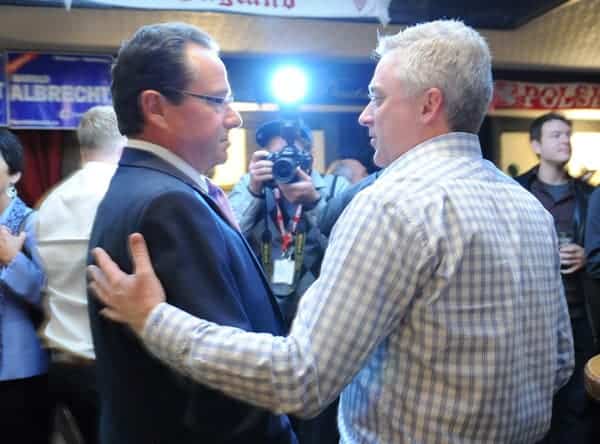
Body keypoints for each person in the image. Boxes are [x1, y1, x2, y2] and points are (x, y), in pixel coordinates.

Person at [88, 20, 575, 444]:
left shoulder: (391, 204)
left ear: (430, 105)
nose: (364, 115)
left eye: (377, 99)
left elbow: (302, 378)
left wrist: (155, 319)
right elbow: (557, 362)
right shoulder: (526, 206)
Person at [86, 22, 296, 444]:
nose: (234, 118)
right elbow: (222, 392)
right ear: (156, 107)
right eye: (217, 101)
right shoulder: (169, 205)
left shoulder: (150, 187)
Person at [37, 105, 126, 444]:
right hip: (112, 365)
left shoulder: (51, 202)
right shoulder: (124, 196)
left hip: (64, 363)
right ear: (125, 141)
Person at [516, 113, 597, 444]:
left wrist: (587, 253)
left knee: (579, 407)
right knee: (535, 404)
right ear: (536, 144)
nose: (565, 140)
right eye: (555, 135)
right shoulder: (517, 192)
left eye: (567, 135)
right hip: (532, 316)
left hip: (581, 314)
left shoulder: (589, 195)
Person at [229, 119, 349, 328]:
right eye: (275, 158)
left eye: (291, 157)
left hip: (318, 310)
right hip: (263, 308)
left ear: (309, 158)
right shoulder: (252, 187)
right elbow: (229, 240)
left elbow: (349, 248)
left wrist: (314, 203)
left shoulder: (336, 188)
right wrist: (253, 191)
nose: (284, 164)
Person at [0, 129, 49, 444]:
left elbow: (46, 293)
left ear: (14, 174)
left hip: (16, 369)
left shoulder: (31, 223)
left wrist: (10, 259)